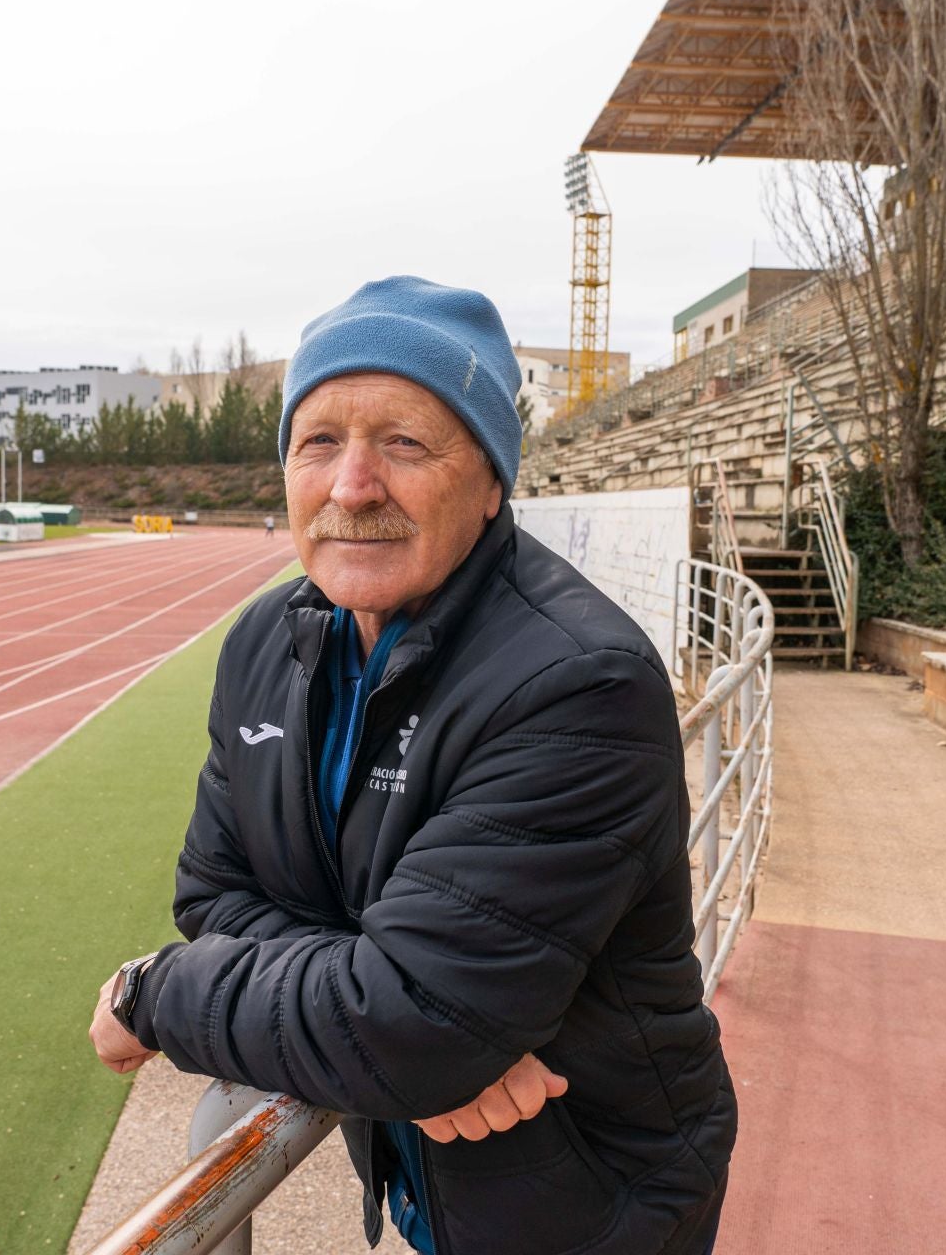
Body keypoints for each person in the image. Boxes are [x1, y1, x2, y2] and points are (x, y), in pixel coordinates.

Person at [89, 276, 736, 1253]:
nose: (353, 484)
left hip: (596, 1206)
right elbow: (218, 893)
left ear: (489, 480)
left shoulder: (577, 683)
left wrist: (154, 992)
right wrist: (407, 1029)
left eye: (404, 442)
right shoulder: (269, 641)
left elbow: (410, 1022)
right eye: (319, 441)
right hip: (430, 1165)